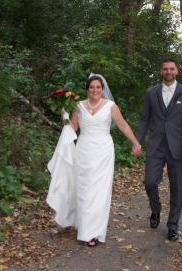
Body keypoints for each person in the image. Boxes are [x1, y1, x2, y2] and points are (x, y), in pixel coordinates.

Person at [47, 74, 141, 247]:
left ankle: (93, 233)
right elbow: (73, 128)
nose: (95, 90)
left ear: (102, 89)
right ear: (87, 89)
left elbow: (123, 125)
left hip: (103, 151)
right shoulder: (78, 106)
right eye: (92, 87)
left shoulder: (111, 106)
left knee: (99, 192)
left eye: (98, 87)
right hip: (83, 151)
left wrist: (135, 142)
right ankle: (82, 225)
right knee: (83, 189)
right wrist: (64, 115)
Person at [135, 58, 182, 241]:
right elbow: (145, 119)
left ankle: (173, 225)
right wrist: (137, 141)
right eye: (165, 69)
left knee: (177, 187)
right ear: (161, 72)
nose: (169, 71)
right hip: (155, 145)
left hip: (178, 147)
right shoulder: (151, 93)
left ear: (176, 71)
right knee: (150, 182)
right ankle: (155, 210)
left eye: (172, 69)